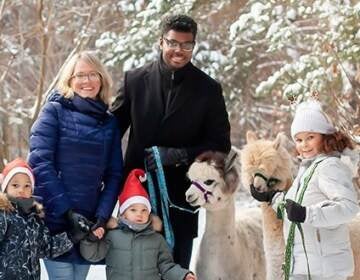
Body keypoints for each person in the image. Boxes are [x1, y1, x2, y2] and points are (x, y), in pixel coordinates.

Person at [111, 14, 231, 268]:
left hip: (182, 196)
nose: (179, 50)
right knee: (136, 268)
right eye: (173, 43)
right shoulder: (134, 80)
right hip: (138, 194)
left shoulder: (209, 89)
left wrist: (178, 155)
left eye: (187, 45)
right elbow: (111, 131)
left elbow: (220, 143)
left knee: (176, 268)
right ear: (161, 41)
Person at [28, 51, 123, 279]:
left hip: (88, 223)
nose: (87, 81)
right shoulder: (54, 111)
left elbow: (114, 174)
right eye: (80, 75)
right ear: (69, 80)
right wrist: (67, 212)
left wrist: (101, 215)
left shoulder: (109, 122)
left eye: (93, 74)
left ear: (102, 79)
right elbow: (40, 163)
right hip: (57, 219)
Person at [251, 100, 360, 280]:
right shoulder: (306, 169)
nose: (304, 144)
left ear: (324, 137)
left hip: (326, 270)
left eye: (310, 137)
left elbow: (349, 208)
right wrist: (271, 197)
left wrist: (307, 214)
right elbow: (294, 208)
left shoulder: (330, 166)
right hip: (303, 267)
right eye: (299, 139)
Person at [80, 169, 197, 280]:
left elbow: (167, 266)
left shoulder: (157, 239)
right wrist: (91, 240)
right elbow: (92, 255)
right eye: (133, 210)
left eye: (144, 210)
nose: (139, 214)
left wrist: (183, 275)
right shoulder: (112, 236)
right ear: (123, 213)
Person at [0, 158, 73, 280]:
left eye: (27, 185)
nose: (21, 190)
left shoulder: (35, 218)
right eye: (15, 185)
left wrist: (72, 236)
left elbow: (46, 248)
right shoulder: (3, 215)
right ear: (5, 188)